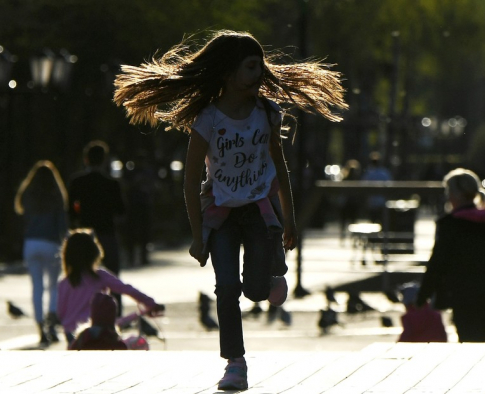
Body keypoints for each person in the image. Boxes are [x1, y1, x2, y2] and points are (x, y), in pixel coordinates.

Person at [112, 29, 347, 390]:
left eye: (260, 65)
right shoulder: (208, 120)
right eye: (251, 66)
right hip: (220, 213)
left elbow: (280, 169)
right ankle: (235, 364)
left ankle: (270, 269)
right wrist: (196, 233)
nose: (259, 73)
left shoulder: (267, 114)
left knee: (254, 292)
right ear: (228, 73)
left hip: (257, 211)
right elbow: (190, 181)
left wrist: (290, 222)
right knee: (226, 289)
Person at [416, 168, 485, 343]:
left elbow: (438, 263)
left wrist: (423, 295)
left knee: (468, 343)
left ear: (455, 195)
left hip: (463, 297)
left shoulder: (450, 225)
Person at [57, 229, 164, 347]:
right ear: (94, 253)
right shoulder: (99, 276)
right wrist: (150, 303)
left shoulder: (64, 282)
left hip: (71, 334)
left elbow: (61, 312)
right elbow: (127, 289)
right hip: (96, 331)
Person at [68, 140, 126, 314]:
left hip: (85, 235)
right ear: (104, 160)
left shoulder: (77, 182)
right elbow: (121, 210)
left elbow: (70, 210)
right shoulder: (111, 184)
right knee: (112, 274)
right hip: (107, 232)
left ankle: (83, 310)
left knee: (83, 274)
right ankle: (115, 311)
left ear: (86, 159)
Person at [14, 160, 68, 346]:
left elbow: (22, 217)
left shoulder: (28, 195)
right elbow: (62, 224)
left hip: (31, 243)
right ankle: (51, 323)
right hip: (51, 243)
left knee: (37, 287)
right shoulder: (56, 195)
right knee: (53, 286)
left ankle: (39, 326)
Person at [361, 151, 392, 223]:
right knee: (381, 222)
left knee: (373, 222)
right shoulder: (384, 173)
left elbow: (363, 185)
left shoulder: (368, 173)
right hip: (381, 201)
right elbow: (389, 184)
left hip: (372, 202)